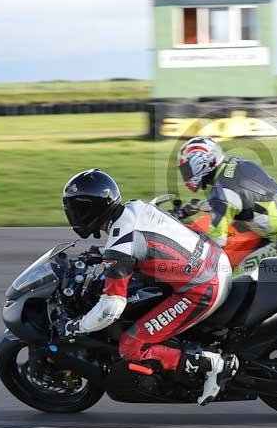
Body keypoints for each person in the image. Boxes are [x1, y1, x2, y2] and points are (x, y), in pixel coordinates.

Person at [58, 168, 238, 405]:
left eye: (75, 209)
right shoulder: (135, 207)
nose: (73, 215)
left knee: (132, 345)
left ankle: (213, 363)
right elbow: (145, 243)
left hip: (202, 287)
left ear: (90, 209)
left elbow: (110, 309)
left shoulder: (120, 247)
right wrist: (102, 254)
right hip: (215, 259)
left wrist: (76, 326)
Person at [177, 137, 277, 274]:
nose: (186, 175)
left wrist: (192, 264)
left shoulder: (222, 195)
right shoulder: (236, 162)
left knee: (232, 278)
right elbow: (230, 200)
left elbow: (216, 244)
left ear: (202, 163)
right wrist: (195, 207)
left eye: (187, 169)